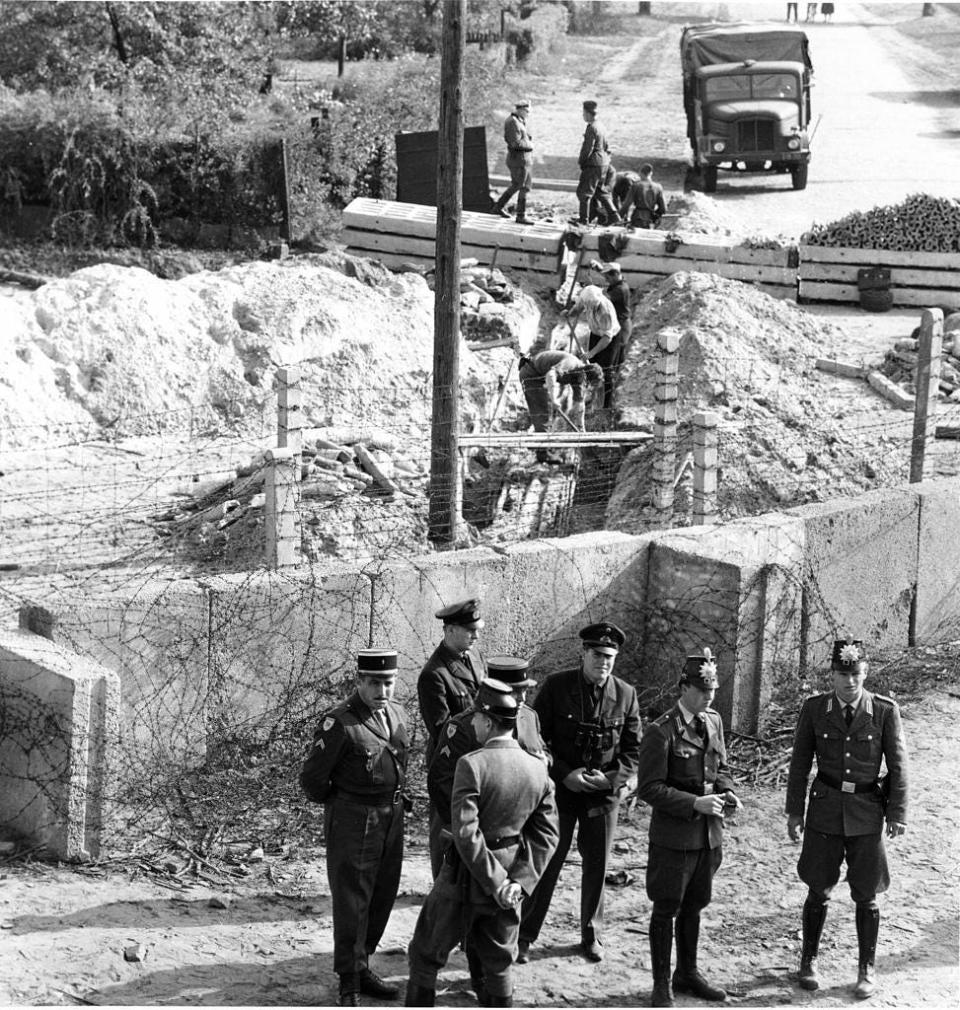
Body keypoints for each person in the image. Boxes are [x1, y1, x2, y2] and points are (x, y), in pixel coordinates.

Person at [406, 679, 560, 1008]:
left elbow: (465, 831)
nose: (472, 722)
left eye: (476, 717)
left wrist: (494, 881)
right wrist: (517, 882)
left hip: (462, 876)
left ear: (489, 722)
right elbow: (547, 835)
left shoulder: (472, 764)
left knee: (425, 954)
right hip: (510, 879)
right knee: (500, 962)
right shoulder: (538, 770)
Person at [785, 639, 908, 1000]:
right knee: (817, 888)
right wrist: (795, 811)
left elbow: (899, 767)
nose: (850, 682)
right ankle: (808, 961)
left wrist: (897, 813)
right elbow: (799, 764)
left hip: (867, 812)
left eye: (856, 674)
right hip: (824, 810)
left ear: (865, 673)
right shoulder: (814, 709)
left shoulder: (885, 711)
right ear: (832, 675)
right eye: (843, 674)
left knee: (867, 894)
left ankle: (866, 968)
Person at [518, 621, 641, 964]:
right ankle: (525, 935)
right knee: (546, 861)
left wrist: (612, 779)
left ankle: (592, 935)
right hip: (561, 792)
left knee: (597, 866)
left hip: (603, 798)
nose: (603, 662)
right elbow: (533, 738)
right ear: (584, 653)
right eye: (598, 655)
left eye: (610, 657)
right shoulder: (557, 687)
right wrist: (563, 773)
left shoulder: (626, 694)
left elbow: (633, 751)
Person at [300, 648, 410, 1007]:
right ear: (359, 681)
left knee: (382, 894)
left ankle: (363, 965)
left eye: (388, 682)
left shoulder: (397, 714)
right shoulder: (340, 723)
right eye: (375, 682)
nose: (383, 690)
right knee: (352, 899)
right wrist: (346, 805)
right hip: (354, 818)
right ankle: (348, 981)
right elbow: (313, 780)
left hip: (391, 817)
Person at [635, 647, 742, 1008]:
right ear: (683, 688)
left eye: (712, 690)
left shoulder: (712, 721)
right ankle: (661, 983)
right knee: (667, 906)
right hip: (673, 838)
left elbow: (721, 768)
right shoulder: (660, 731)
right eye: (701, 689)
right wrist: (693, 803)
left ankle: (688, 972)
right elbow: (649, 788)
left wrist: (728, 793)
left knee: (695, 904)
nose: (709, 696)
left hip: (708, 835)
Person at [419, 598, 488, 877]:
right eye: (470, 630)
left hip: (479, 760)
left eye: (477, 629)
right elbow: (443, 731)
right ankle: (441, 886)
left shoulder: (473, 658)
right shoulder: (434, 675)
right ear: (449, 631)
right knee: (445, 827)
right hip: (451, 764)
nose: (476, 636)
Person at [518, 350, 604, 461]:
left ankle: (545, 449)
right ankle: (543, 455)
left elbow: (579, 404)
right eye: (588, 383)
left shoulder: (579, 377)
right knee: (541, 413)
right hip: (531, 374)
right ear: (585, 375)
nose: (586, 385)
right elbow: (550, 375)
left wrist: (582, 429)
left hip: (540, 377)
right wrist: (554, 399)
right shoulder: (570, 364)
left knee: (546, 412)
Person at [564, 284, 621, 414]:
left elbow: (607, 337)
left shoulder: (605, 311)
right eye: (588, 305)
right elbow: (578, 308)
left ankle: (605, 407)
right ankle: (590, 398)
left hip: (609, 339)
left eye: (592, 306)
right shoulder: (586, 298)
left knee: (606, 371)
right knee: (591, 368)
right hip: (595, 334)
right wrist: (570, 313)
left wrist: (591, 353)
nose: (590, 308)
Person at [574, 100, 621, 226]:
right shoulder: (601, 125)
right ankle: (614, 216)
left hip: (593, 163)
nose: (583, 115)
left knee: (584, 192)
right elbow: (607, 146)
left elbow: (587, 148)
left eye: (583, 113)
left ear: (588, 113)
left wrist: (582, 161)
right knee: (600, 191)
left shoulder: (591, 128)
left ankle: (583, 221)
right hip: (604, 163)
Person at [492, 100, 535, 225]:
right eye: (526, 111)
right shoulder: (513, 122)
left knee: (521, 186)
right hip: (518, 160)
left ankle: (499, 207)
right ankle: (520, 215)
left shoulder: (519, 121)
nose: (528, 114)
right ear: (520, 109)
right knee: (521, 186)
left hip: (524, 159)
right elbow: (515, 143)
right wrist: (530, 145)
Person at [592, 261, 632, 364]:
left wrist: (590, 291)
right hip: (617, 323)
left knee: (615, 355)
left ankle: (613, 378)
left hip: (621, 325)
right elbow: (609, 276)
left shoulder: (620, 289)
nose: (606, 280)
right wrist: (599, 269)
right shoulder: (618, 282)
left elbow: (603, 298)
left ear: (615, 274)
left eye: (608, 278)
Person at [618, 163, 666, 230]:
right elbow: (663, 209)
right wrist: (654, 215)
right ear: (651, 173)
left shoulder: (636, 186)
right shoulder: (658, 187)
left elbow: (626, 205)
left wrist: (619, 217)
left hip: (638, 218)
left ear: (640, 173)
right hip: (651, 220)